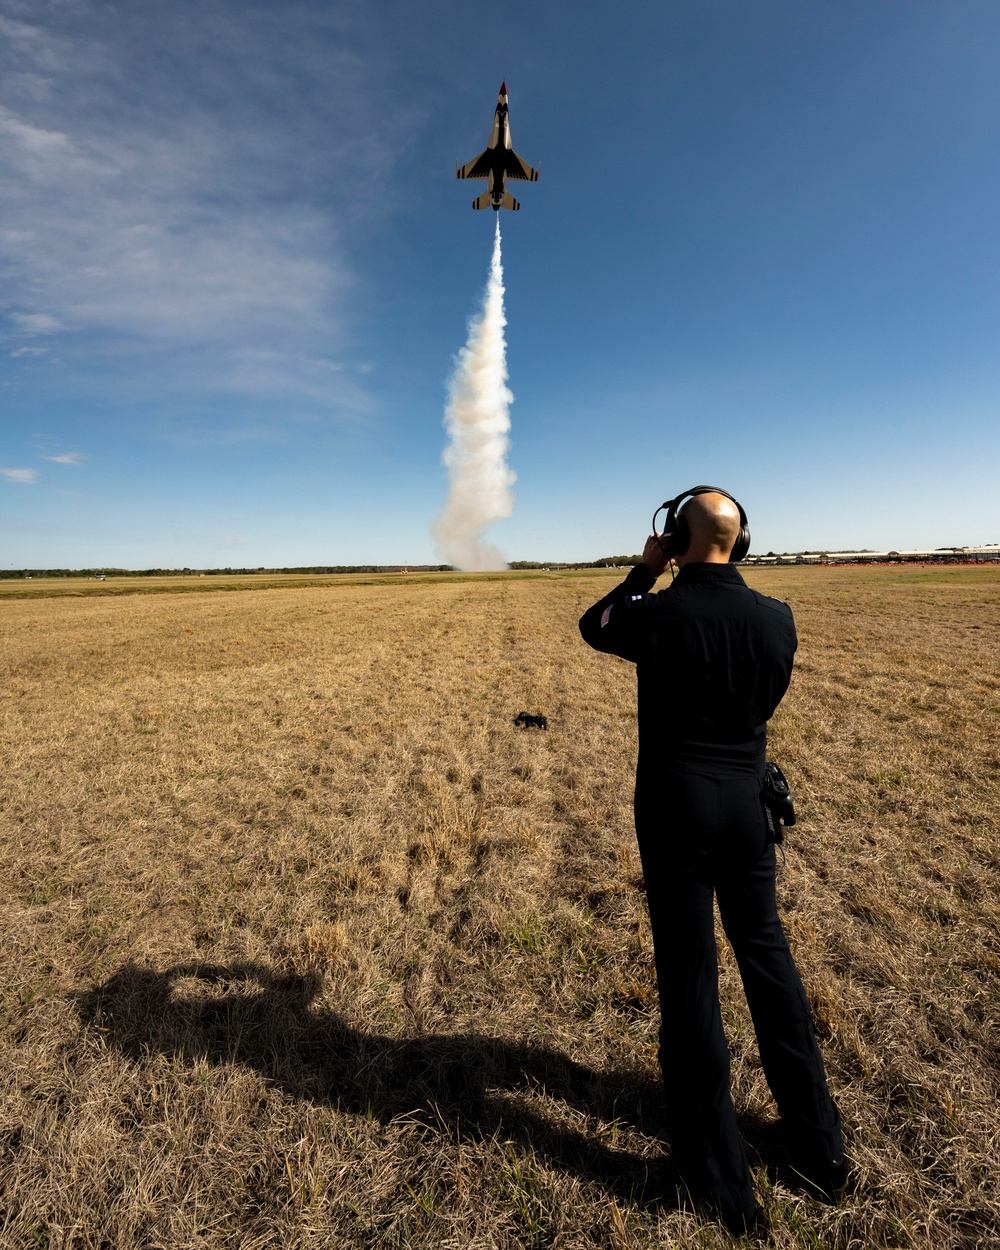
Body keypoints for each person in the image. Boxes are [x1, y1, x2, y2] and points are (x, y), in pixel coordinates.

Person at [579, 486, 844, 1233]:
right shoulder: (778, 620)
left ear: (675, 537)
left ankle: (719, 1178)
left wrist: (644, 573)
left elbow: (595, 626)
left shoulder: (656, 613)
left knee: (691, 978)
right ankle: (821, 1150)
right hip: (750, 810)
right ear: (743, 541)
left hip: (677, 814)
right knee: (770, 964)